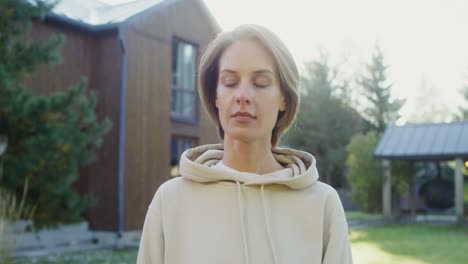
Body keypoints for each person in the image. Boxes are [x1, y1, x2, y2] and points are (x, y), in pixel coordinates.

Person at [137, 24, 353, 264]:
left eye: (260, 83)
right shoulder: (170, 201)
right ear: (216, 96)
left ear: (284, 98)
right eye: (229, 82)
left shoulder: (322, 205)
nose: (242, 95)